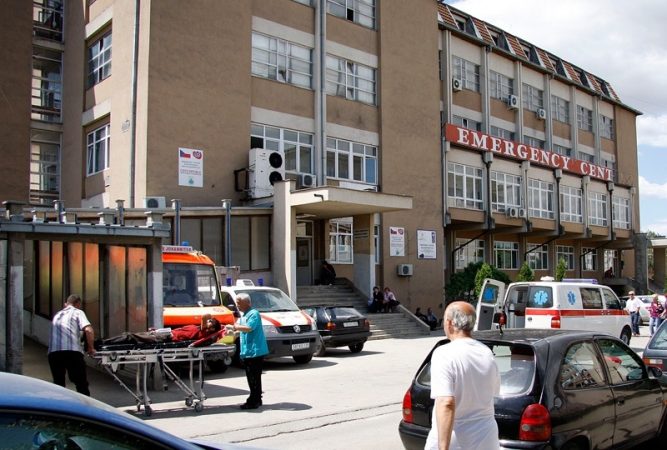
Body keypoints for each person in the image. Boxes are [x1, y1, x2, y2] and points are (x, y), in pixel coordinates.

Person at [425, 301, 500, 450]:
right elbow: (493, 394)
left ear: (449, 323)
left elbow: (446, 402)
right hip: (486, 439)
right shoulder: (486, 353)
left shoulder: (444, 354)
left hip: (457, 441)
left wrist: (443, 447)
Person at [226, 293, 268, 409]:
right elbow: (242, 330)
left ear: (247, 303)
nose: (237, 305)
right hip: (248, 351)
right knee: (252, 377)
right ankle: (257, 399)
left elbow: (249, 328)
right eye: (237, 303)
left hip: (255, 351)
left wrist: (234, 327)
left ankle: (254, 401)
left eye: (239, 303)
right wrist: (233, 332)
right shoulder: (244, 315)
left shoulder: (254, 314)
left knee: (254, 377)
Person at [48, 294, 96, 396]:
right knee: (81, 383)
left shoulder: (57, 315)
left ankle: (60, 404)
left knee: (58, 384)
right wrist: (91, 348)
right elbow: (88, 330)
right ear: (78, 304)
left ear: (65, 304)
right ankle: (85, 404)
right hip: (72, 352)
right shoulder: (77, 312)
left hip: (53, 353)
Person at [99, 314, 222, 347]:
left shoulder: (203, 333)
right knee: (130, 335)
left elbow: (205, 316)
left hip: (166, 337)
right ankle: (104, 342)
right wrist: (158, 330)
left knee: (131, 336)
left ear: (211, 328)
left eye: (210, 322)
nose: (208, 321)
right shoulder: (195, 327)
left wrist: (213, 326)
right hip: (164, 333)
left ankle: (104, 343)